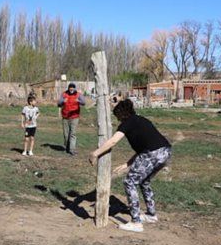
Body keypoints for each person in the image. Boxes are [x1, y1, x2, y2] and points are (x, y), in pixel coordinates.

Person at [89, 99, 172, 233]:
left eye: (117, 117)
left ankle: (136, 222)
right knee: (144, 181)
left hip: (153, 153)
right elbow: (145, 147)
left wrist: (95, 153)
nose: (118, 120)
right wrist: (127, 164)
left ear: (121, 114)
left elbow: (113, 141)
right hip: (165, 152)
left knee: (130, 182)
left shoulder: (127, 123)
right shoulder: (140, 120)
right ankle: (151, 215)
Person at [58, 82, 85, 155]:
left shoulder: (78, 94)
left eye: (73, 87)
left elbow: (83, 102)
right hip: (65, 117)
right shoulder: (64, 94)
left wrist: (78, 101)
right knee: (66, 134)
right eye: (70, 87)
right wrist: (63, 101)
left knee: (73, 133)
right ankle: (67, 147)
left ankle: (72, 149)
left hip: (74, 117)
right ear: (68, 88)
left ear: (74, 88)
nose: (71, 89)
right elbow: (59, 103)